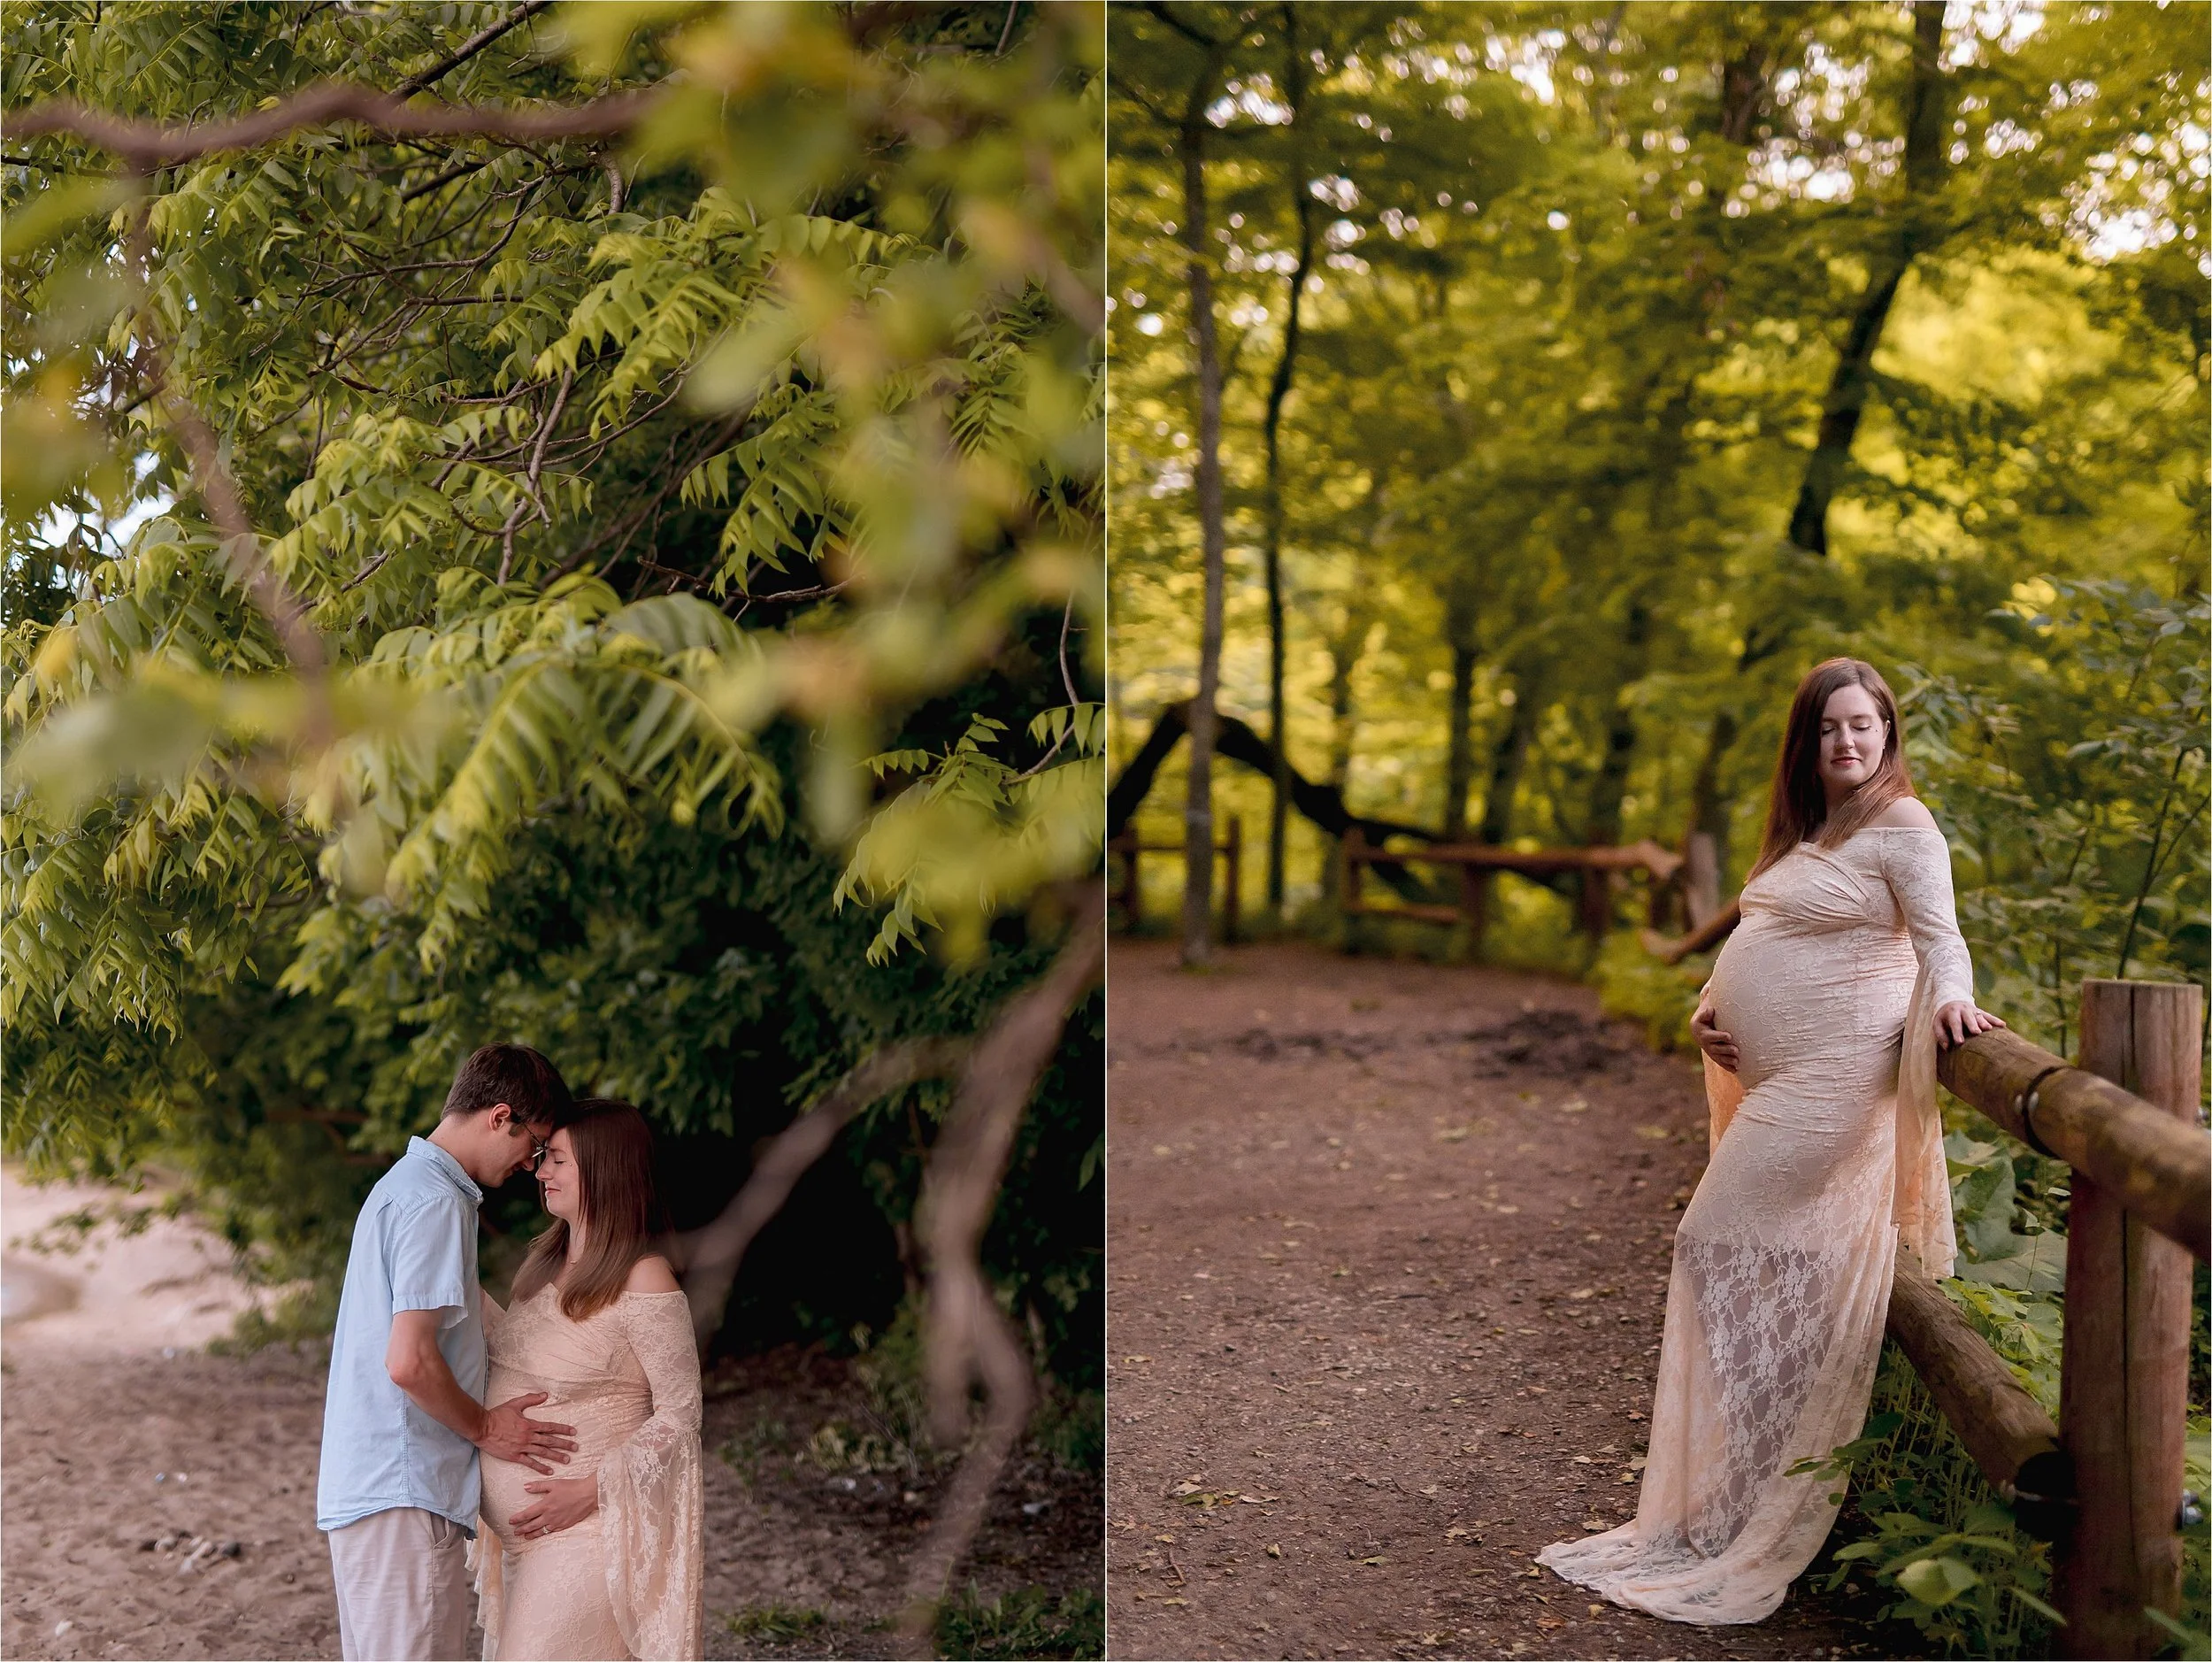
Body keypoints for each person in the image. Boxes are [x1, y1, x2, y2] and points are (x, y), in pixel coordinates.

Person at [1537, 658, 2004, 1625]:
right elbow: (1768, 942)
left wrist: (1952, 999)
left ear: (1887, 733)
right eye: (1830, 728)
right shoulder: (1811, 831)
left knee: (1715, 1247)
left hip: (1833, 1081)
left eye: (1864, 726)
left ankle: (1759, 1496)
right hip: (1776, 1077)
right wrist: (1711, 1012)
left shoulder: (1903, 824)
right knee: (1744, 1264)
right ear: (1809, 741)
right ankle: (1736, 1486)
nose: (1848, 742)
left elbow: (1939, 937)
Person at [318, 1043, 580, 1662]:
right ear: (500, 1116)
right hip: (403, 1487)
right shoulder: (435, 1202)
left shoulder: (407, 1187)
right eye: (535, 1143)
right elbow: (408, 1361)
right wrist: (489, 1428)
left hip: (375, 1484)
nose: (533, 1164)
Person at [472, 1097, 704, 1662]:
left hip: (587, 1535)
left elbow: (681, 1413)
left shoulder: (644, 1276)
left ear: (604, 1169)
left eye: (556, 1160)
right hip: (523, 1544)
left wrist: (592, 1489)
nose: (540, 1171)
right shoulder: (544, 1264)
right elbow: (521, 1356)